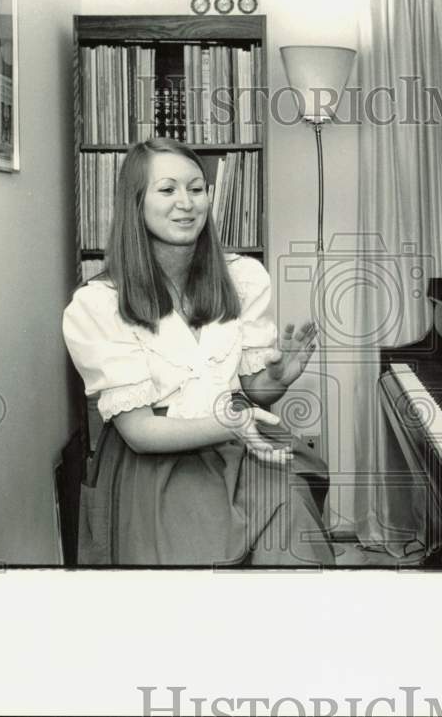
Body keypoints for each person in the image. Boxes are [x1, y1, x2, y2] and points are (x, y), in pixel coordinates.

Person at [62, 137, 334, 566]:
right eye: (167, 189)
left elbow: (250, 393)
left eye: (197, 188)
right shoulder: (98, 304)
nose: (186, 203)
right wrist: (233, 422)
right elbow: (141, 434)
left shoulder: (244, 277)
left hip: (240, 452)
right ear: (136, 202)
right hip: (157, 469)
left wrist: (276, 381)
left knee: (293, 550)